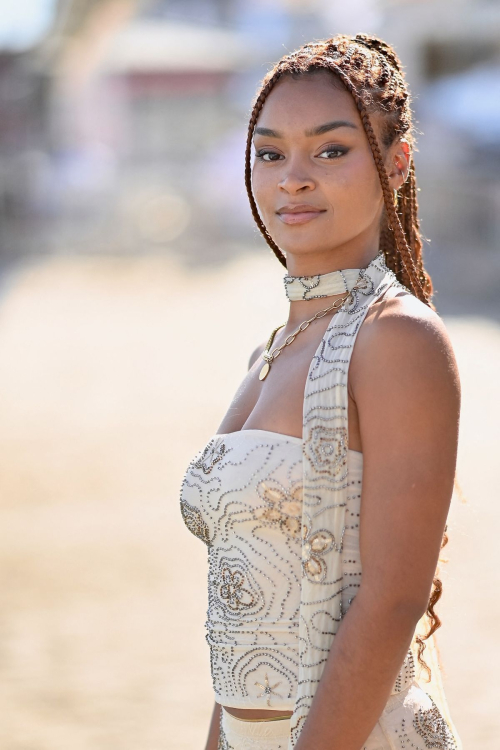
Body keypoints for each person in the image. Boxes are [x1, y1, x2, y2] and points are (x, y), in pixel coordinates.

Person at [180, 33, 463, 750]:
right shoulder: (268, 355)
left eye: (330, 150)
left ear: (396, 163)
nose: (292, 179)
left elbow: (391, 602)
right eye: (270, 153)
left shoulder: (397, 339)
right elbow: (241, 627)